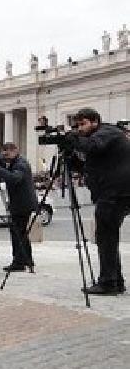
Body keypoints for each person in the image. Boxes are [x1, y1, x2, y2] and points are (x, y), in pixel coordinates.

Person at [67, 108, 130, 295]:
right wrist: (70, 153)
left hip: (116, 192)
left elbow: (93, 146)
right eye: (77, 125)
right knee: (107, 236)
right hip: (111, 192)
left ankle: (109, 282)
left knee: (105, 237)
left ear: (95, 121)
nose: (79, 129)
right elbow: (88, 165)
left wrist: (73, 139)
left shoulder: (107, 132)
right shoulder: (100, 137)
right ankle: (115, 280)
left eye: (82, 124)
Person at [0, 142, 37, 272]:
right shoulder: (15, 163)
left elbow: (14, 178)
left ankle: (19, 262)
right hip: (20, 203)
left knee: (17, 233)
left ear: (16, 150)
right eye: (4, 153)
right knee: (20, 233)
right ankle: (26, 259)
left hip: (22, 204)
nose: (5, 155)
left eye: (8, 152)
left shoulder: (20, 164)